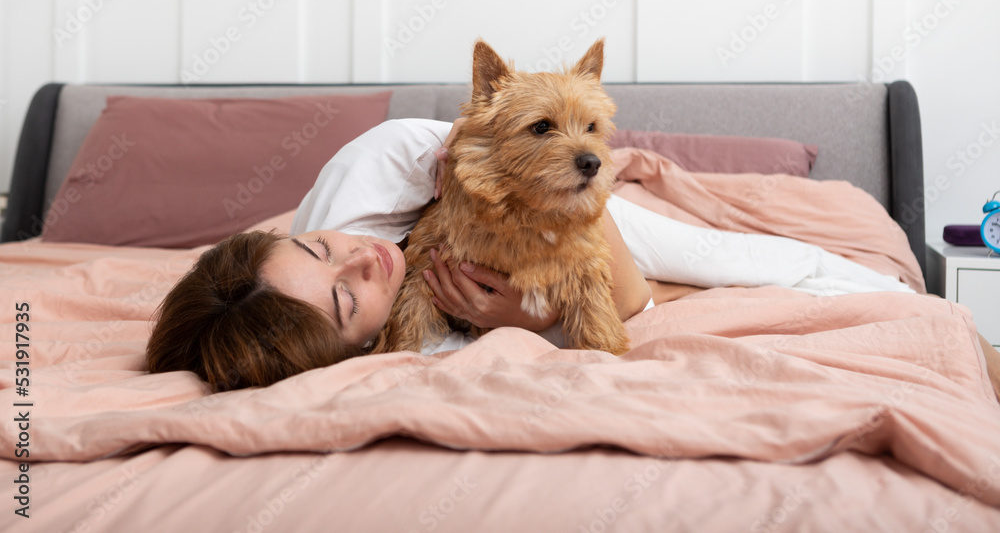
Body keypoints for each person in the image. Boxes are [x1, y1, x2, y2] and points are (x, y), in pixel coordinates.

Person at [149, 120, 1000, 397]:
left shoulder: (358, 181)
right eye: (344, 300)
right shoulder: (400, 356)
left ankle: (921, 313)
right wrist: (535, 319)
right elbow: (629, 317)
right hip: (528, 279)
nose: (364, 261)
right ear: (344, 351)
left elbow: (472, 143)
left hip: (539, 200)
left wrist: (475, 169)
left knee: (723, 258)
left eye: (321, 248)